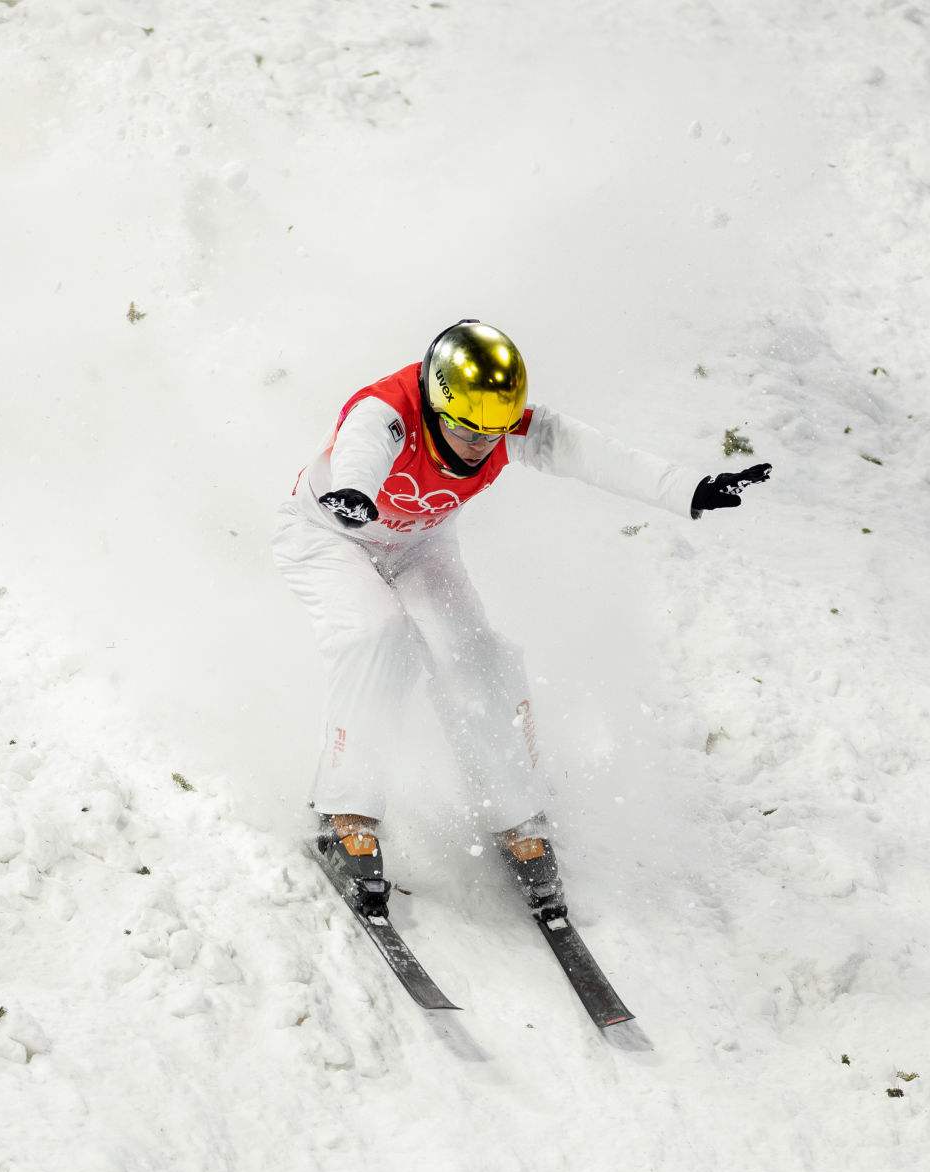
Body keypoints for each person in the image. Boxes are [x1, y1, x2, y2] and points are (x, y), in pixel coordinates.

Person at [272, 320, 770, 921]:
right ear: (435, 405)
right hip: (333, 533)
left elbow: (591, 452)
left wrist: (688, 488)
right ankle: (344, 812)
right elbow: (362, 445)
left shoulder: (506, 426)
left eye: (494, 433)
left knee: (476, 654)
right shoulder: (389, 411)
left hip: (419, 545)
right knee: (379, 635)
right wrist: (354, 490)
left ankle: (513, 814)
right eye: (464, 431)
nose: (480, 446)